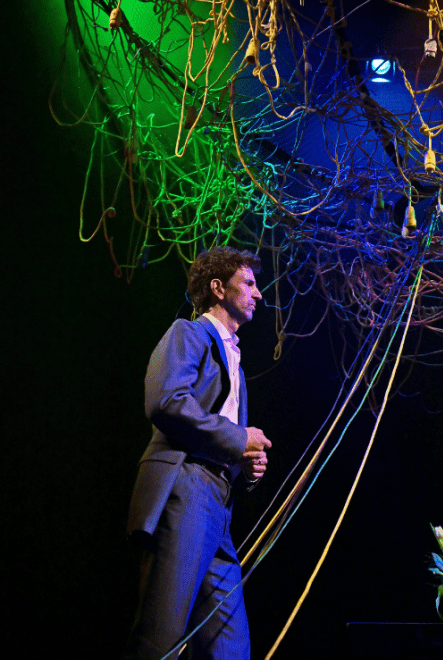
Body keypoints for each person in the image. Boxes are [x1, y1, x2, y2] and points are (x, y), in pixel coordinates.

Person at [124, 246, 273, 660]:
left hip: (219, 503)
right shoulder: (188, 334)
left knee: (230, 647)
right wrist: (237, 438)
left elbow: (226, 436)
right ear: (217, 289)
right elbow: (167, 401)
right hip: (185, 486)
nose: (258, 294)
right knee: (161, 635)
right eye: (249, 283)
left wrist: (247, 464)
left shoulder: (237, 363)